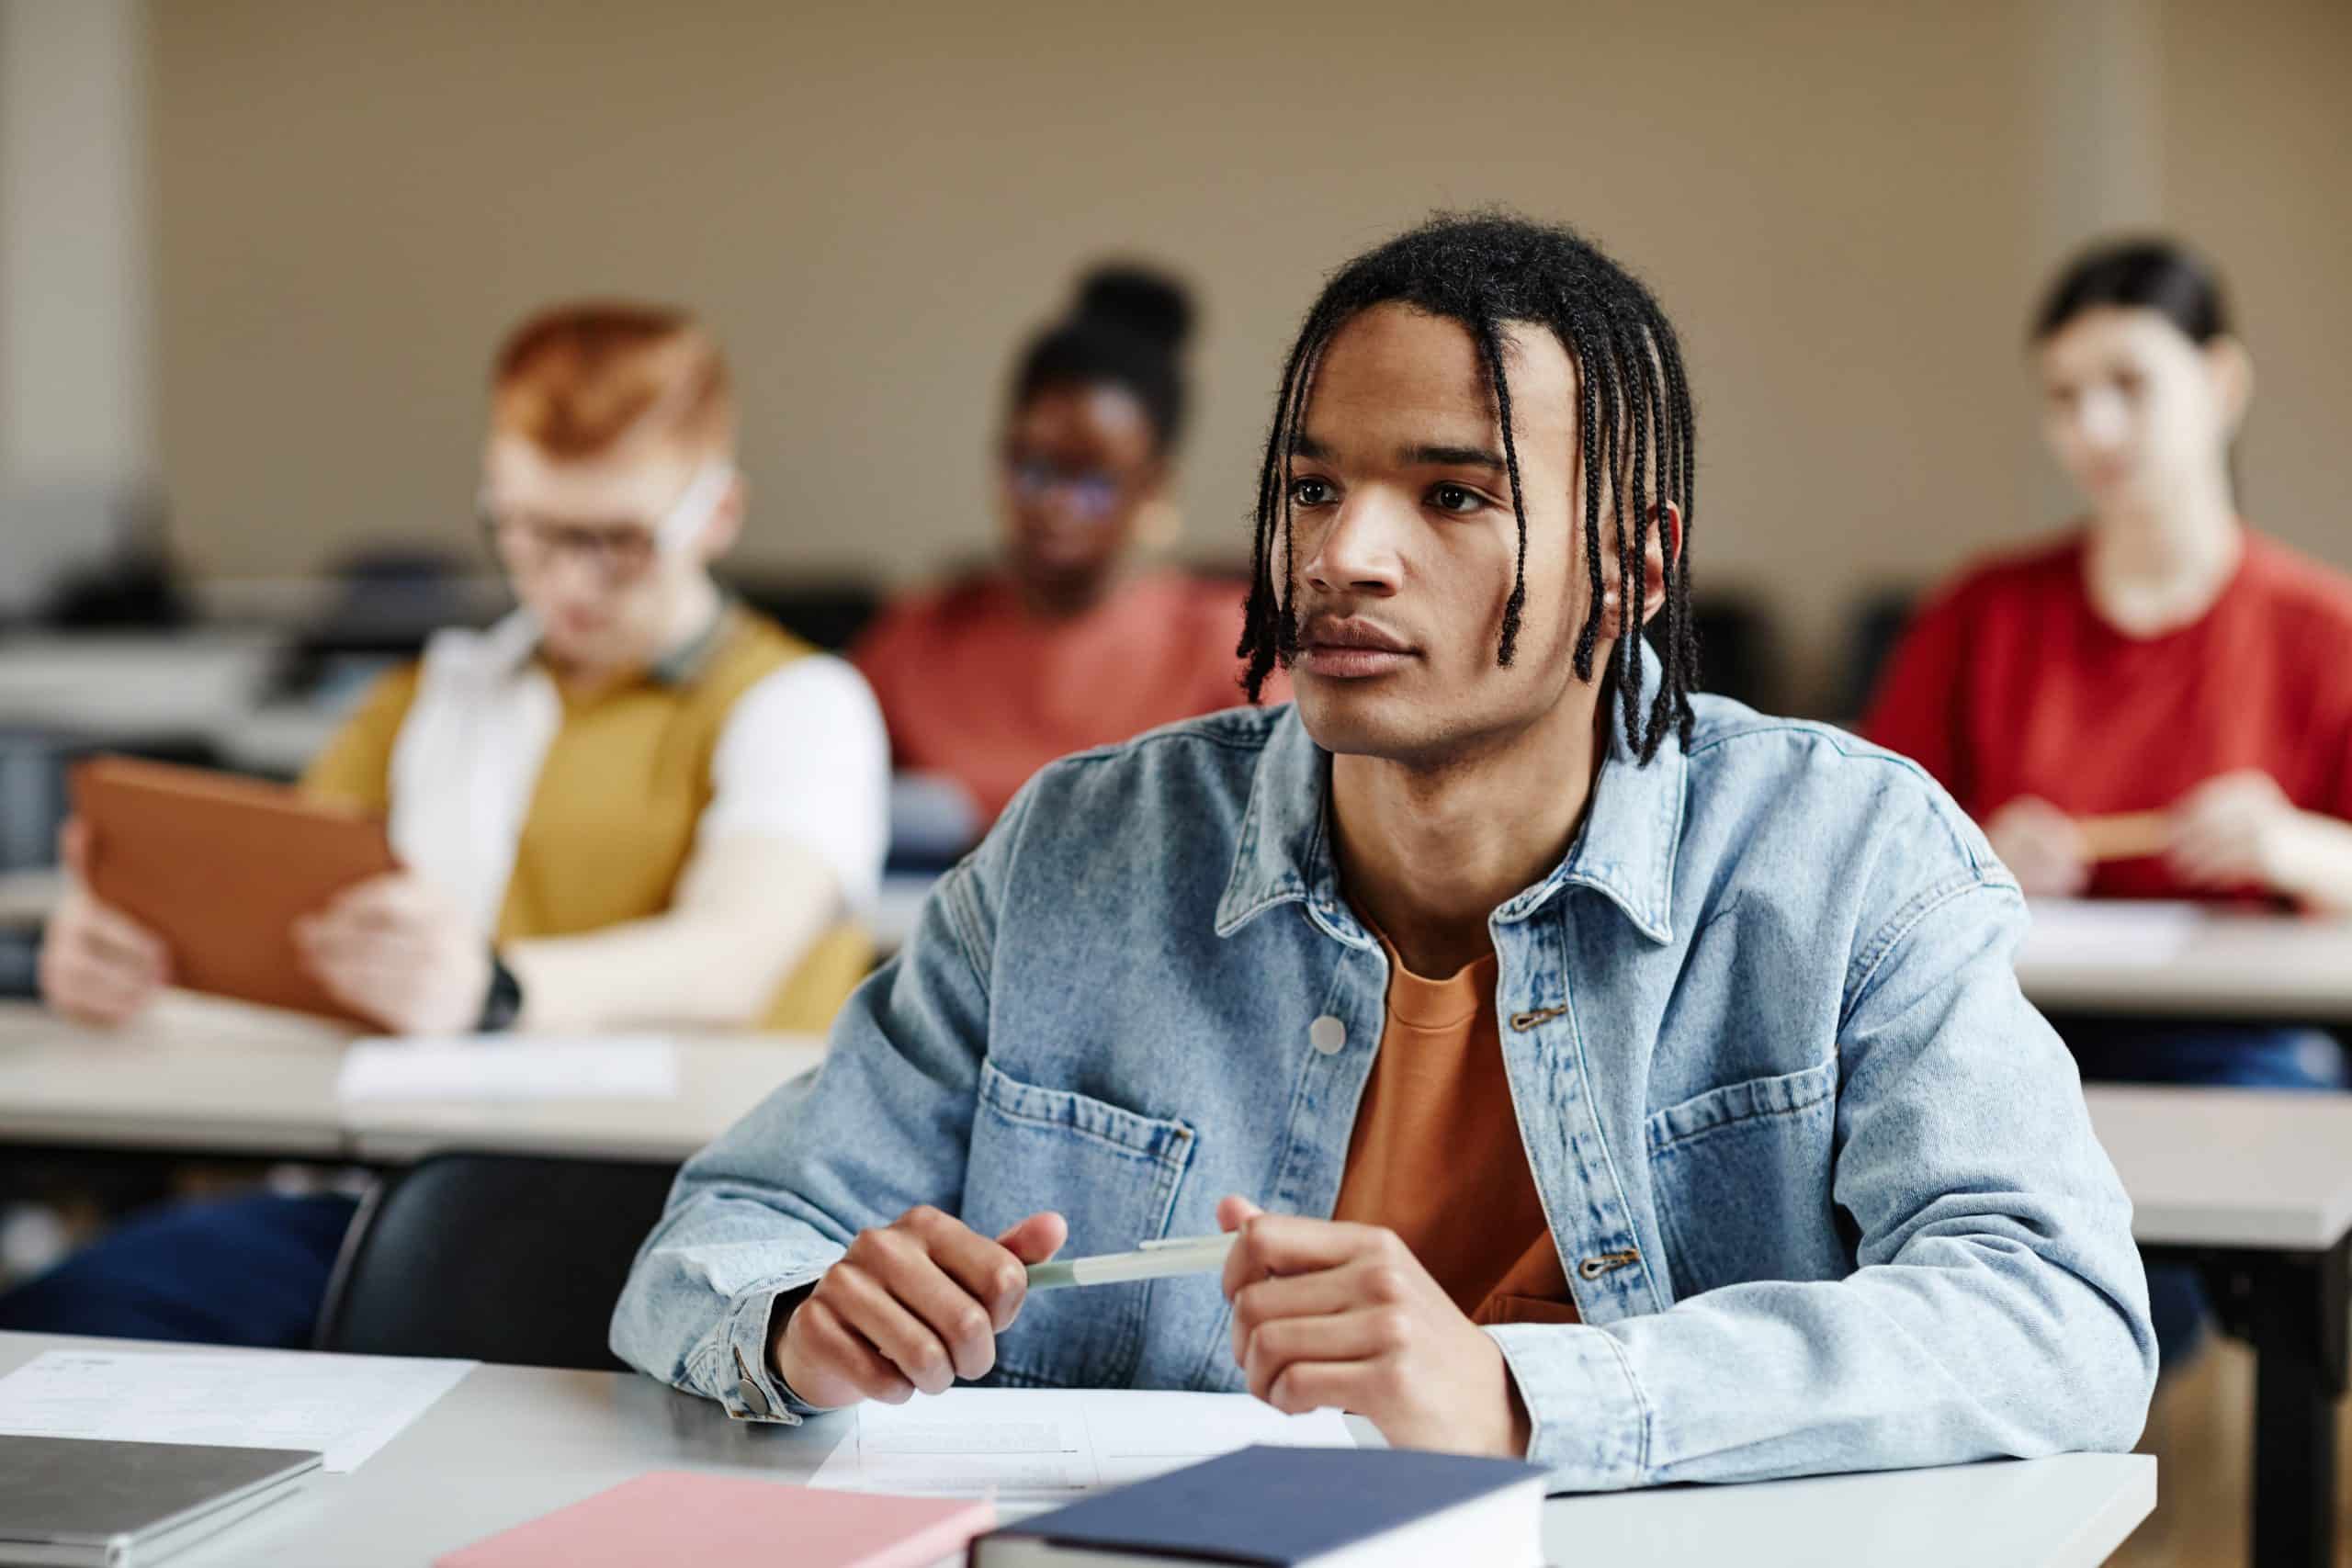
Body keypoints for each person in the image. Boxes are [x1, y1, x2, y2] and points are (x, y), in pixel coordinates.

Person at [614, 214, 2152, 1487]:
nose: (1345, 552)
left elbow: (2058, 1314)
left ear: (1634, 563)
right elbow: (724, 1236)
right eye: (1312, 488)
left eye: (1454, 493)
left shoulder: (1846, 859)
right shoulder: (1079, 853)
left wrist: (1522, 1395)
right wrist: (804, 1318)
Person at [7, 301, 888, 1346]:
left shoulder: (801, 704)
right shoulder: (431, 700)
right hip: (413, 1187)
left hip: (685, 1221)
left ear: (717, 514)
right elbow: (282, 935)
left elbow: (732, 956)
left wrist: (494, 990)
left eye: (614, 539)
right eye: (528, 531)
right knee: (71, 1320)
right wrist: (142, 967)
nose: (567, 579)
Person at [1861, 238, 2352, 1365]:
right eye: (2065, 397)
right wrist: (1975, 853)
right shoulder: (1982, 612)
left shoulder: (2317, 630)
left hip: (2238, 1045)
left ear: (2221, 385)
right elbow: (1866, 846)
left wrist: (2292, 847)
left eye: (2129, 386)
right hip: (2014, 1024)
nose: (2093, 429)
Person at [854, 265, 1280, 834]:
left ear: (1154, 487)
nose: (1054, 503)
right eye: (1033, 468)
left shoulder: (1230, 650)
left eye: (1092, 480)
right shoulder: (920, 638)